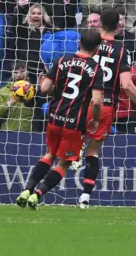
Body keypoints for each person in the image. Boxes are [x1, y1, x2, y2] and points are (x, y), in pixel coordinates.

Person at [77, 8, 136, 209]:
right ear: (119, 24)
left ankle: (37, 188)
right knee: (93, 152)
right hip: (105, 105)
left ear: (100, 23)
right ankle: (85, 196)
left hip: (80, 102)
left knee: (66, 149)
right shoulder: (121, 50)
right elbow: (127, 85)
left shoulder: (88, 43)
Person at [16, 29, 104, 210]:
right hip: (75, 122)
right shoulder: (96, 69)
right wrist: (95, 119)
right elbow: (96, 101)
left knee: (49, 154)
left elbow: (45, 88)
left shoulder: (61, 60)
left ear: (79, 43)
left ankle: (27, 189)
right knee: (64, 163)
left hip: (54, 117)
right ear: (97, 48)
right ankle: (37, 195)